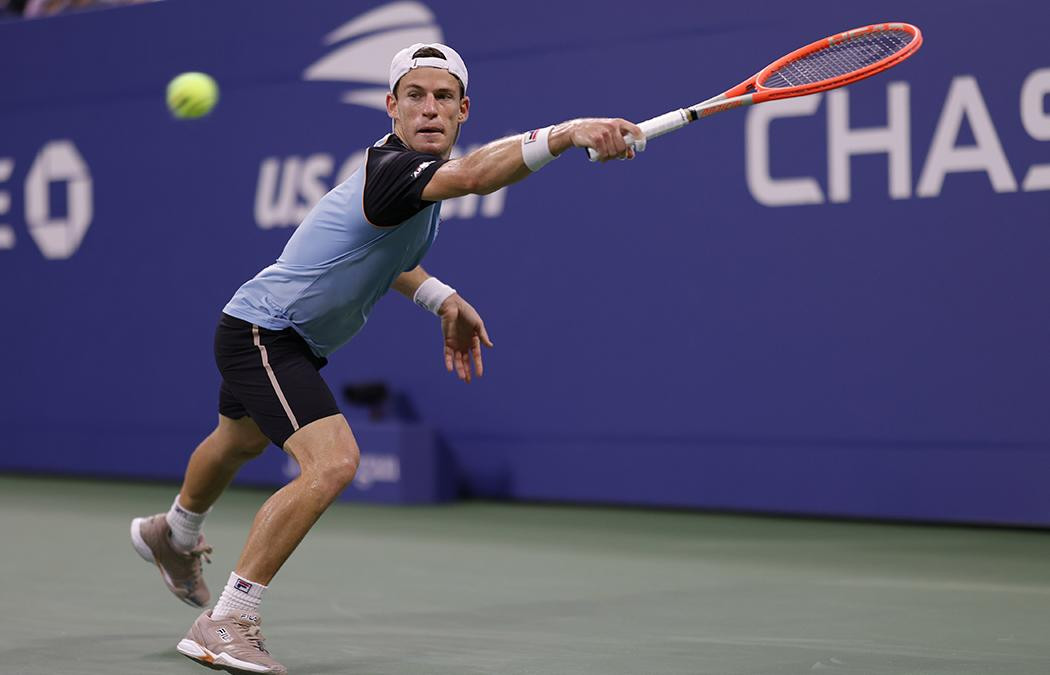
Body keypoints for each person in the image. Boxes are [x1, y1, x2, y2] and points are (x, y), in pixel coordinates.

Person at [130, 42, 642, 675]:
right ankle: (227, 620)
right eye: (416, 96)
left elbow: (390, 258)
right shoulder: (395, 169)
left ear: (464, 110)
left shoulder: (403, 181)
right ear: (392, 107)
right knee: (334, 462)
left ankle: (173, 533)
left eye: (444, 97)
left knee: (238, 441)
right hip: (267, 332)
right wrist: (566, 134)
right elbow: (480, 176)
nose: (430, 109)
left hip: (270, 329)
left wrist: (441, 298)